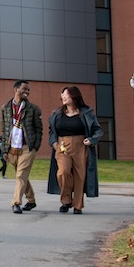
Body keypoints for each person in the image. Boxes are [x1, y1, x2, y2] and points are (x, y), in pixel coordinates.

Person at [46, 86, 101, 214]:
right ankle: (66, 200)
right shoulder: (57, 114)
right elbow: (51, 130)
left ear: (74, 97)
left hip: (81, 145)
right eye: (63, 95)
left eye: (66, 95)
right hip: (62, 145)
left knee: (80, 176)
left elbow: (98, 130)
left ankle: (77, 205)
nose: (63, 97)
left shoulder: (86, 113)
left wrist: (91, 140)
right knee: (63, 172)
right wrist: (54, 142)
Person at [0, 80, 43, 214]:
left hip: (27, 147)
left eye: (28, 90)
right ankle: (31, 200)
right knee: (21, 176)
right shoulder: (5, 108)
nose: (27, 92)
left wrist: (35, 146)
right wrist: (5, 149)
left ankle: (16, 202)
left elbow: (39, 129)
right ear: (16, 89)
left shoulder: (33, 109)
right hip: (12, 148)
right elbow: (4, 129)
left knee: (21, 175)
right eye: (24, 89)